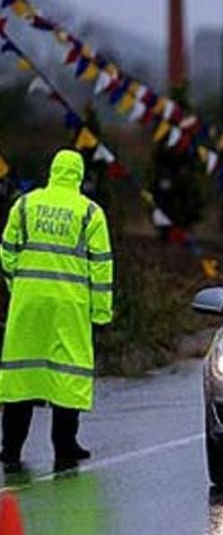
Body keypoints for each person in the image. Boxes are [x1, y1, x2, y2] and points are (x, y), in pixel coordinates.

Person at [0, 150, 113, 473]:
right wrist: (101, 314)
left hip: (28, 303)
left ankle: (10, 451)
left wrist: (19, 285)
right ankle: (64, 447)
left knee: (22, 376)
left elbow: (6, 252)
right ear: (78, 176)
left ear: (52, 172)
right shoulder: (90, 214)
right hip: (70, 306)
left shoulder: (24, 204)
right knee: (68, 374)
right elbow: (101, 268)